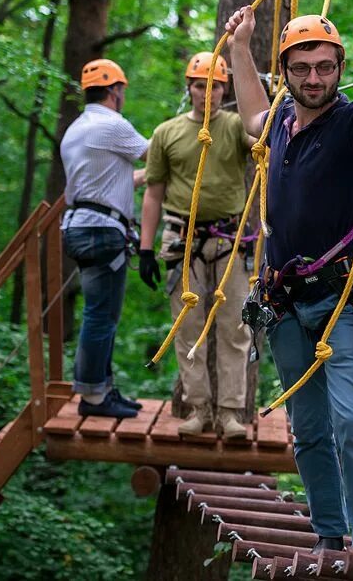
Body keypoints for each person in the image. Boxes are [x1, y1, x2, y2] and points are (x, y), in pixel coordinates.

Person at [225, 0, 353, 551]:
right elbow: (250, 119)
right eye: (303, 68)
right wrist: (241, 49)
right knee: (308, 430)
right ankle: (330, 537)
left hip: (341, 300)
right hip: (284, 303)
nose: (314, 79)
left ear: (341, 68)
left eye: (325, 67)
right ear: (286, 71)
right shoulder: (281, 127)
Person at [138, 52, 253, 439]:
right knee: (188, 327)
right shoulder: (166, 133)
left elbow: (264, 137)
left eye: (216, 86)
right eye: (201, 85)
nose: (208, 93)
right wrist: (144, 247)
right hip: (182, 238)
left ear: (225, 90)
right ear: (189, 88)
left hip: (228, 239)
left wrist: (267, 97)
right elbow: (153, 194)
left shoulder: (236, 127)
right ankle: (199, 408)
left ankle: (230, 413)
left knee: (234, 326)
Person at [60, 58, 149, 419]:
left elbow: (115, 183)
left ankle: (102, 387)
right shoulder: (111, 124)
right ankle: (94, 397)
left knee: (102, 314)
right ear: (114, 90)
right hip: (100, 231)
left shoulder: (77, 129)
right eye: (122, 90)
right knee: (101, 315)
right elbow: (158, 153)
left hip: (81, 224)